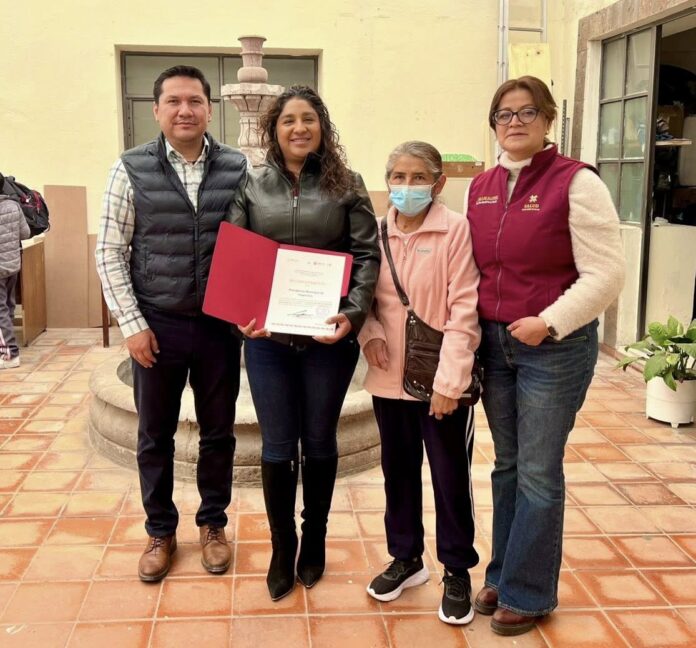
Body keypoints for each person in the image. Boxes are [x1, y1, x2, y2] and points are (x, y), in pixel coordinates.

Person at [466, 76, 625, 636]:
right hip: (495, 345)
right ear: (493, 123)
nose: (515, 122)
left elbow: (607, 273)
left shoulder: (576, 182)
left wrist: (550, 321)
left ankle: (529, 593)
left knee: (536, 469)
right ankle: (504, 572)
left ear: (548, 119)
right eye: (504, 114)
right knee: (507, 465)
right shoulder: (481, 186)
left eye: (527, 112)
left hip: (553, 347)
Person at [96, 65, 247, 582]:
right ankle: (160, 531)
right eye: (175, 101)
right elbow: (110, 251)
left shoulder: (237, 167)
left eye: (195, 101)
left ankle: (213, 525)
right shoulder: (129, 168)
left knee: (219, 432)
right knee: (154, 434)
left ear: (210, 109)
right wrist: (132, 324)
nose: (186, 110)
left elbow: (254, 242)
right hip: (156, 325)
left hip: (219, 328)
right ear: (157, 110)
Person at [229, 85, 380, 601]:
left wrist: (353, 315)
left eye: (308, 119)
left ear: (322, 127)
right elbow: (237, 257)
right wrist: (242, 316)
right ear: (274, 130)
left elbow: (367, 256)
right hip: (268, 340)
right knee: (276, 444)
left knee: (319, 441)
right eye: (288, 120)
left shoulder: (347, 184)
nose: (299, 128)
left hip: (327, 338)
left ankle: (313, 538)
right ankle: (281, 545)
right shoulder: (252, 185)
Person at [359, 141, 481, 625]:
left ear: (438, 182)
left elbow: (464, 308)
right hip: (388, 377)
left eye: (417, 178)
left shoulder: (454, 229)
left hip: (440, 382)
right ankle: (406, 558)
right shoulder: (375, 231)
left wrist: (451, 381)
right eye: (398, 176)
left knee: (450, 476)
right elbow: (363, 296)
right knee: (399, 471)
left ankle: (457, 569)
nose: (406, 186)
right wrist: (369, 334)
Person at [0, 173, 31, 369]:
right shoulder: (13, 205)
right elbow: (25, 233)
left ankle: (9, 354)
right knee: (8, 307)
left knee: (1, 310)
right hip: (12, 266)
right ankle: (7, 346)